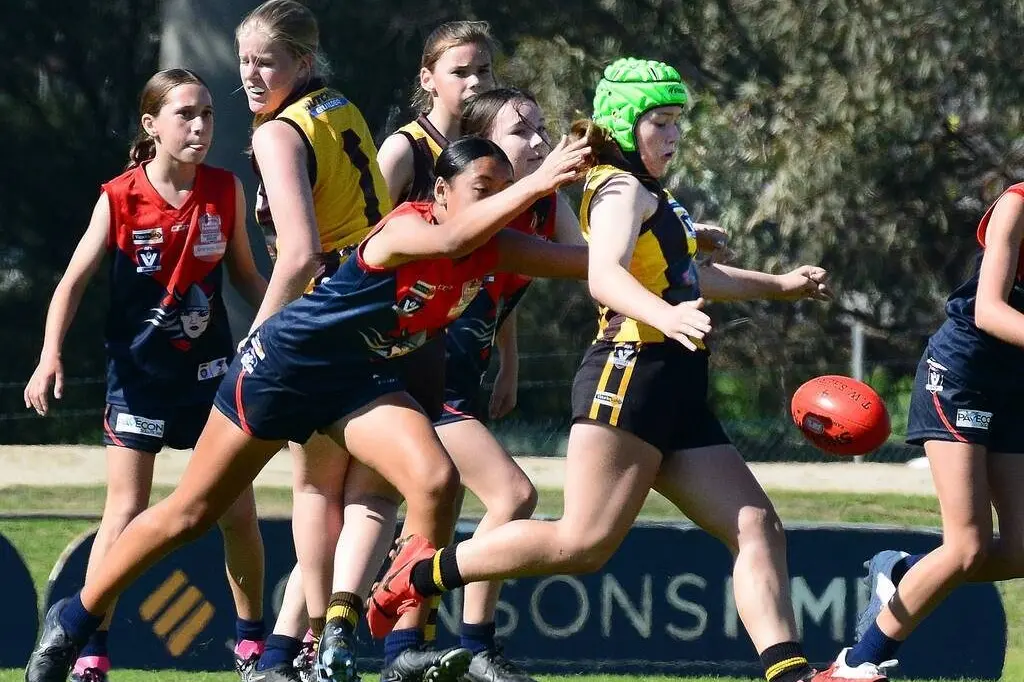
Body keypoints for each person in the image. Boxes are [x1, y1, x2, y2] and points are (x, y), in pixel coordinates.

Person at [24, 134, 591, 682]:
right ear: (440, 192)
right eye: (482, 188)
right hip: (282, 371)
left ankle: (403, 649)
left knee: (437, 481)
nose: (495, 200)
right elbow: (450, 243)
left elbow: (585, 263)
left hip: (354, 382)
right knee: (190, 515)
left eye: (504, 189)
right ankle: (72, 620)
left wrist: (665, 244)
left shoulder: (494, 245)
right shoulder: (413, 226)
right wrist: (538, 181)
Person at [367, 57, 834, 682]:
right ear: (624, 122)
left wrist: (779, 285)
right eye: (659, 123)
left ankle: (792, 674)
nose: (672, 136)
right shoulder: (619, 188)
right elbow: (604, 275)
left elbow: (689, 277)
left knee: (756, 525)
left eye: (676, 124)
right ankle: (419, 573)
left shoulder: (652, 194)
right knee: (581, 544)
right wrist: (666, 318)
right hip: (630, 372)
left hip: (675, 382)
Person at [23, 68, 269, 682]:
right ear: (151, 125)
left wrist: (290, 323)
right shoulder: (119, 197)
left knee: (238, 513)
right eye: (185, 114)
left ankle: (251, 649)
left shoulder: (225, 190)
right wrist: (50, 353)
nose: (200, 126)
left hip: (211, 377)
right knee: (124, 514)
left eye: (208, 114)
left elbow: (245, 275)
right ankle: (91, 650)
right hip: (138, 378)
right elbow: (71, 282)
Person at [231, 3, 409, 680]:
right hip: (380, 311)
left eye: (265, 61)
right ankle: (315, 638)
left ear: (302, 63)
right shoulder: (343, 108)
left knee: (314, 492)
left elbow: (300, 253)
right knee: (371, 493)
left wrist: (258, 337)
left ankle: (304, 647)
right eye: (243, 60)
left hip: (323, 317)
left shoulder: (281, 131)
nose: (250, 74)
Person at [817, 184, 1024, 682]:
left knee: (1020, 551)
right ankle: (854, 664)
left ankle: (904, 572)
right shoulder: (1017, 204)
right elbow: (989, 310)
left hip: (1015, 387)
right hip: (961, 378)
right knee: (966, 546)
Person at [377, 20, 496, 205]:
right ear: (427, 80)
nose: (474, 81)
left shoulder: (496, 145)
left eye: (483, 71)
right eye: (460, 72)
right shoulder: (405, 150)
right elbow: (372, 231)